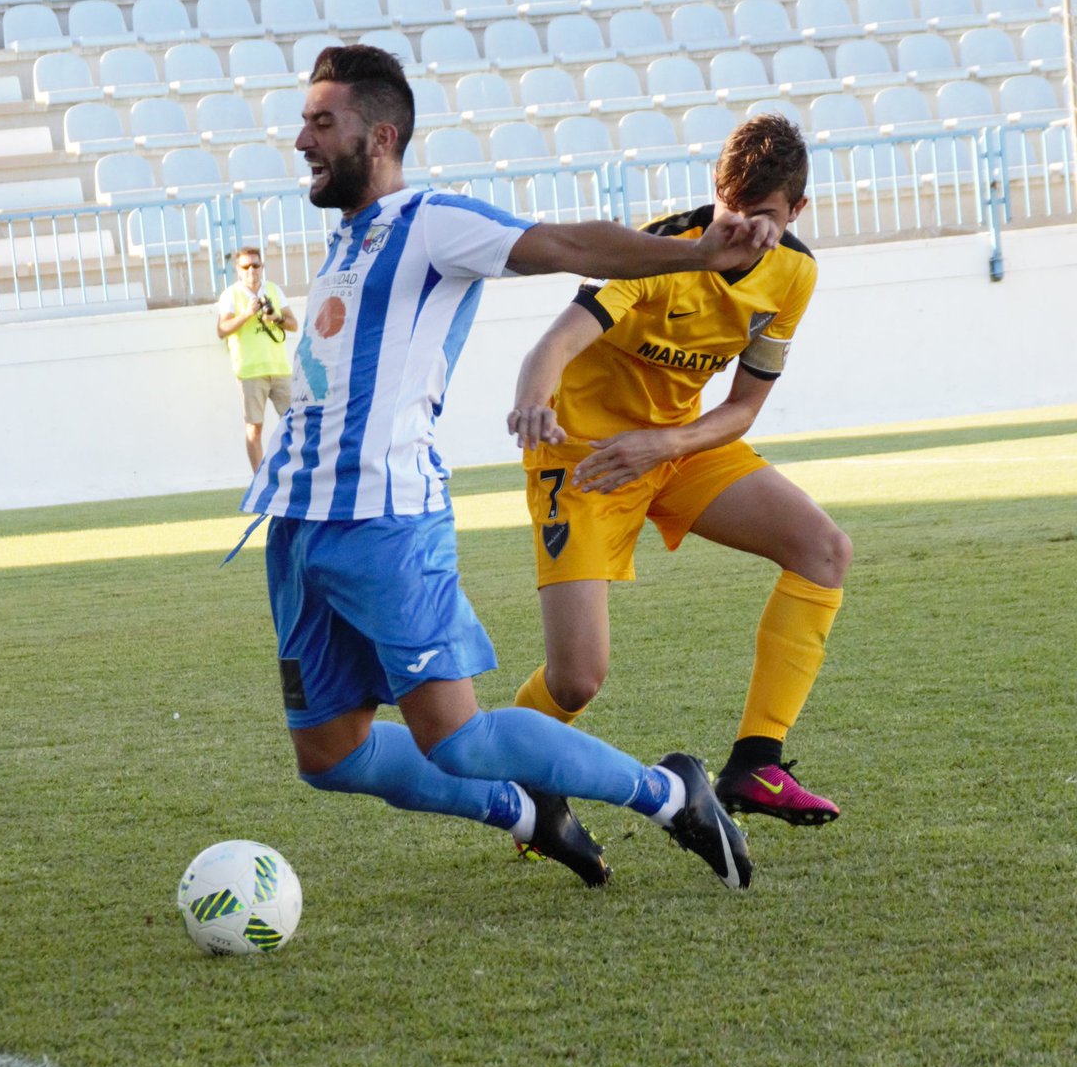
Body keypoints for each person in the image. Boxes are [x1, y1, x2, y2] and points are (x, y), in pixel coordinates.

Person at [240, 45, 784, 890]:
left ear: (379, 135)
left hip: (384, 520)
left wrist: (695, 254)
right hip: (301, 526)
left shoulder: (432, 221)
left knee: (455, 735)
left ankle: (669, 792)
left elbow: (566, 243)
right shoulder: (349, 239)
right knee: (328, 752)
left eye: (321, 122)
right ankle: (530, 812)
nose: (302, 139)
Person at [508, 113, 852, 828]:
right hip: (584, 458)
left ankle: (756, 764)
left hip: (676, 447)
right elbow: (553, 344)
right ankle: (519, 780)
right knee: (577, 676)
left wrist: (666, 445)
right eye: (732, 210)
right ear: (714, 194)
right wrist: (532, 401)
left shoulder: (795, 272)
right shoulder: (656, 255)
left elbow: (745, 407)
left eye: (763, 218)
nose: (744, 231)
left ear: (796, 212)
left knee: (823, 549)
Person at [216, 247, 300, 472]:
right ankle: (260, 478)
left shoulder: (273, 290)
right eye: (246, 266)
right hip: (250, 371)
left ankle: (294, 471)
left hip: (279, 368)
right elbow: (222, 329)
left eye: (255, 265)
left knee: (296, 425)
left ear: (262, 267)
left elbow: (294, 324)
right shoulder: (231, 295)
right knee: (254, 428)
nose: (251, 270)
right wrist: (247, 314)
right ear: (238, 270)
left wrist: (276, 317)